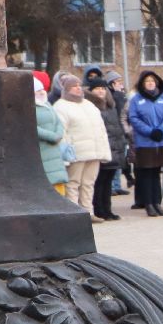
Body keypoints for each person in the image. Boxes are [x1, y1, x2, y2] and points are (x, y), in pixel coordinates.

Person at [54, 73, 111, 219]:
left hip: (94, 151)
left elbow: (101, 128)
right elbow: (62, 132)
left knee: (88, 183)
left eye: (79, 86)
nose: (78, 89)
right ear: (66, 89)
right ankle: (74, 213)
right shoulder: (61, 106)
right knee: (73, 183)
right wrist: (66, 153)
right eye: (74, 86)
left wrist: (104, 149)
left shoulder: (89, 104)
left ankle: (88, 211)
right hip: (76, 152)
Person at [129, 70, 163, 217]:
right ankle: (149, 203)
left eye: (152, 81)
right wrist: (149, 131)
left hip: (162, 141)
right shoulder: (136, 99)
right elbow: (134, 119)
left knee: (157, 173)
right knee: (147, 173)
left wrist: (161, 130)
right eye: (147, 81)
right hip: (145, 142)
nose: (150, 83)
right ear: (142, 84)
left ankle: (157, 203)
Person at [91, 81, 127, 221]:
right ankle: (99, 209)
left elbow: (117, 125)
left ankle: (107, 209)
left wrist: (122, 142)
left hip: (115, 146)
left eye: (103, 89)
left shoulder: (111, 106)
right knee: (100, 181)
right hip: (103, 147)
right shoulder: (92, 106)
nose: (101, 91)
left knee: (108, 181)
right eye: (97, 89)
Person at [34, 72, 68, 195]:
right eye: (38, 90)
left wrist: (58, 134)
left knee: (58, 180)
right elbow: (33, 126)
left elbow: (58, 121)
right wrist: (52, 136)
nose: (42, 92)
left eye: (42, 89)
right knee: (48, 182)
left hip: (54, 149)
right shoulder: (29, 106)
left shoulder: (47, 104)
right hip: (42, 149)